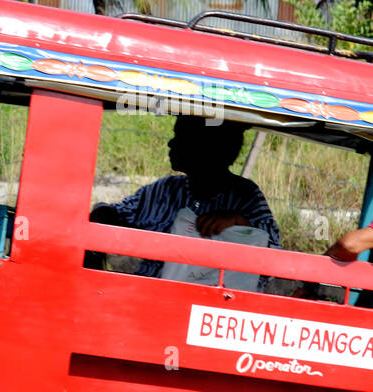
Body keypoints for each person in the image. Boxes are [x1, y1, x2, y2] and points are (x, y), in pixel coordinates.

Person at [89, 115, 280, 275]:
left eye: (180, 136)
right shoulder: (164, 189)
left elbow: (274, 253)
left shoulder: (245, 197)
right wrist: (104, 213)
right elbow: (118, 213)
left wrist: (239, 223)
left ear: (208, 147)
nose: (171, 143)